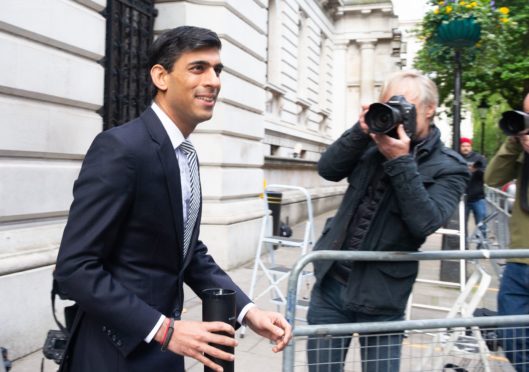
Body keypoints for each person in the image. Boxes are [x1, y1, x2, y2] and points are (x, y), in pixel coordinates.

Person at [53, 26, 291, 372]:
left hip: (165, 352)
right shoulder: (121, 148)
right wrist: (164, 330)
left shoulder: (184, 153)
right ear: (161, 77)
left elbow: (186, 251)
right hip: (115, 354)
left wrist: (249, 311)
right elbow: (75, 269)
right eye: (198, 68)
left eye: (217, 70)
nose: (214, 81)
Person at [306, 70, 469, 372]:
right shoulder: (369, 141)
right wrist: (361, 128)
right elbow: (327, 169)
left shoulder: (449, 166)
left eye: (404, 104)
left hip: (382, 296)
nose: (395, 110)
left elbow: (425, 223)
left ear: (429, 109)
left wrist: (400, 161)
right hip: (332, 283)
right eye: (388, 103)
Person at [484, 92, 529, 372]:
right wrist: (514, 142)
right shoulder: (521, 149)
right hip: (518, 263)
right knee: (512, 338)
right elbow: (492, 178)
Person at [459, 137, 488, 242]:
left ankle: (482, 247)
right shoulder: (456, 158)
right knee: (461, 225)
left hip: (478, 197)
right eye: (463, 146)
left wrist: (476, 170)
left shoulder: (479, 158)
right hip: (462, 198)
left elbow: (486, 175)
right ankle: (464, 246)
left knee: (481, 223)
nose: (465, 148)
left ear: (471, 146)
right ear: (460, 147)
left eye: (467, 146)